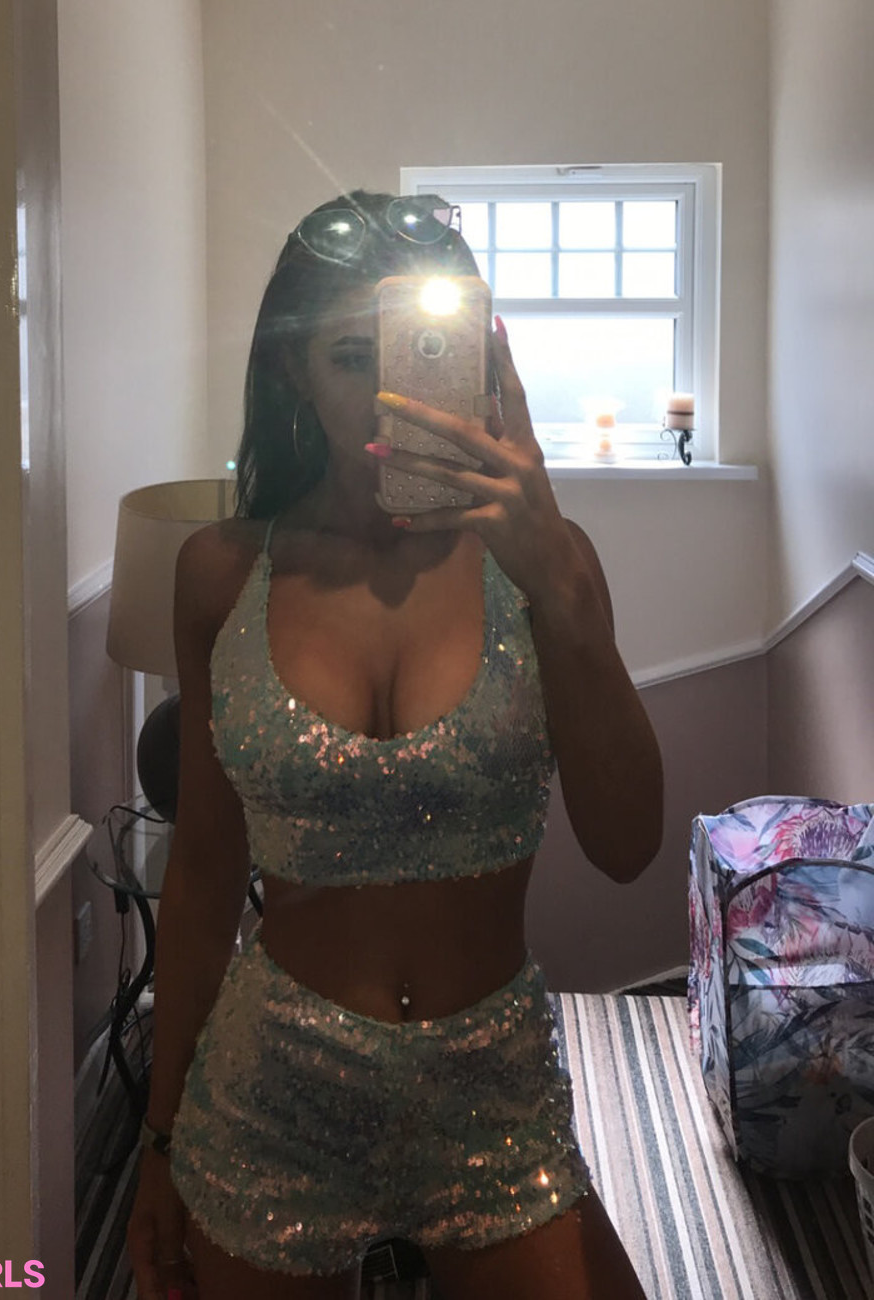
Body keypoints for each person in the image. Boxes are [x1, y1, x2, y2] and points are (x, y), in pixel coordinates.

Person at [126, 191, 664, 1300]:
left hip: (494, 1093)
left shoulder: (544, 565)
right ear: (291, 370)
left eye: (420, 356)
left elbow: (629, 846)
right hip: (273, 1095)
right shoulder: (222, 573)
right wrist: (162, 1135)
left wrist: (563, 588)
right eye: (348, 356)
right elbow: (206, 869)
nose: (388, 397)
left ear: (478, 366)